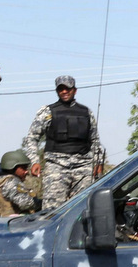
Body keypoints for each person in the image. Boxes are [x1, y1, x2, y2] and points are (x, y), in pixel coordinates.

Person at [21, 76, 104, 209]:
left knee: (83, 209)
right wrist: (35, 160)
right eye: (61, 89)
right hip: (56, 166)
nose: (64, 92)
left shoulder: (86, 112)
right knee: (52, 210)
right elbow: (32, 137)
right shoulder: (47, 112)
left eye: (67, 89)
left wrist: (98, 163)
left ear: (74, 90)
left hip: (83, 166)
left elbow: (95, 140)